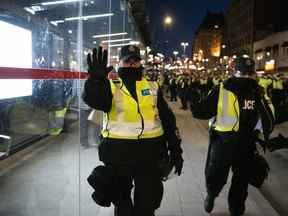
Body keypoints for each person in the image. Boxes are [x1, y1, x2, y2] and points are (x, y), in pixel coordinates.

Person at [82, 45, 183, 216]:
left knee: (148, 204)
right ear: (120, 62)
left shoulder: (152, 86)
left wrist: (175, 149)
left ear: (140, 63)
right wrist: (95, 81)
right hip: (119, 155)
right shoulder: (111, 86)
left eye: (135, 60)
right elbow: (93, 99)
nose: (132, 64)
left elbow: (168, 120)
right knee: (122, 206)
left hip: (149, 154)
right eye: (128, 60)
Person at [190, 56, 274, 216]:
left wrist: (194, 100)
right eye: (247, 74)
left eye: (248, 74)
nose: (248, 77)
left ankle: (224, 202)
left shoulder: (254, 91)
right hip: (233, 143)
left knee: (229, 177)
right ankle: (222, 201)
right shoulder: (232, 90)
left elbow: (201, 111)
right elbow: (270, 118)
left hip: (235, 143)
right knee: (228, 178)